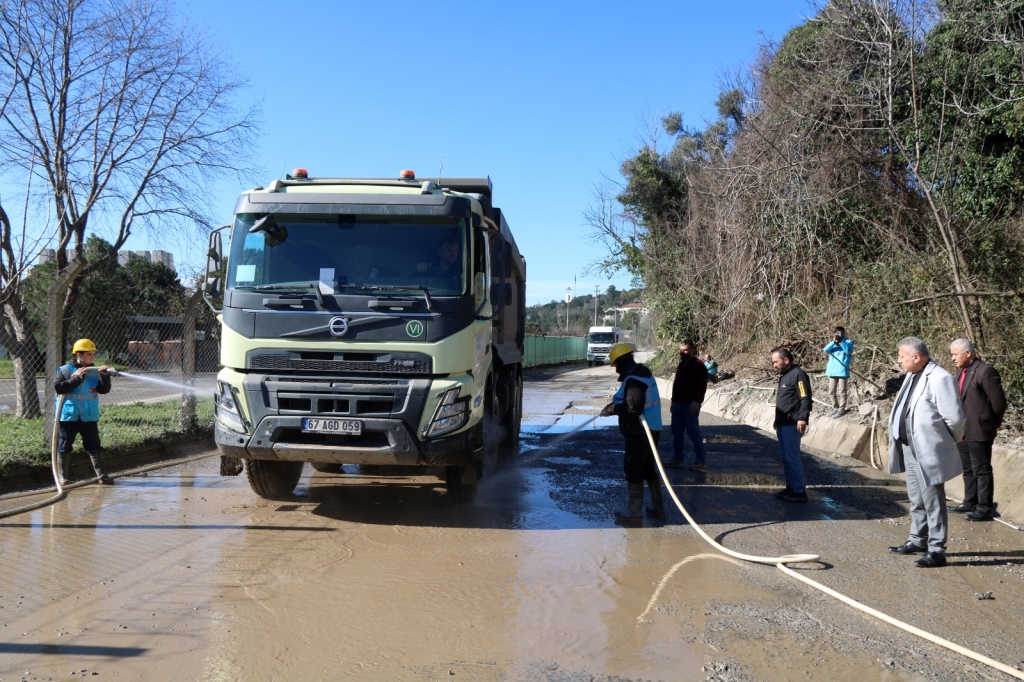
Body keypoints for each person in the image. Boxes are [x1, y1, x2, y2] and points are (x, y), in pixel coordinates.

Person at [886, 337, 964, 568]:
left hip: (928, 449)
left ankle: (937, 549)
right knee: (916, 497)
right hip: (909, 448)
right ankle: (917, 539)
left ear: (916, 357)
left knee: (933, 499)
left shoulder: (940, 378)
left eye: (901, 356)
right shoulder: (912, 375)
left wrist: (947, 441)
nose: (899, 360)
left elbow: (955, 418)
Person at [599, 343, 665, 526]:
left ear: (621, 362)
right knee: (648, 469)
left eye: (616, 365)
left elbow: (633, 408)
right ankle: (658, 508)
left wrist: (614, 409)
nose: (616, 369)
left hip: (640, 432)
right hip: (650, 429)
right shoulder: (641, 374)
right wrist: (613, 406)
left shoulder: (634, 380)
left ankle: (634, 511)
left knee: (634, 469)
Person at [949, 338, 1007, 522]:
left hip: (980, 428)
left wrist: (991, 423)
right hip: (963, 428)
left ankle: (984, 508)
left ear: (968, 353)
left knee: (981, 469)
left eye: (955, 354)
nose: (952, 358)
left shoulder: (985, 371)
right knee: (967, 468)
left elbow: (999, 403)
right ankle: (970, 501)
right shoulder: (961, 371)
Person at [54, 338, 115, 485]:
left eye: (93, 354)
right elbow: (59, 388)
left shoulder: (95, 372)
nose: (92, 357)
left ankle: (102, 475)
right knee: (64, 446)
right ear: (78, 355)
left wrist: (105, 377)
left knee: (94, 445)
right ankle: (63, 478)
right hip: (68, 416)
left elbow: (104, 390)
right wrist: (76, 379)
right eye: (89, 354)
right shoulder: (65, 370)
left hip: (89, 416)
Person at [771, 348, 812, 503]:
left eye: (776, 362)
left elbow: (805, 397)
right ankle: (791, 487)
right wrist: (777, 419)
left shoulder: (798, 375)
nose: (774, 365)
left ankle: (799, 491)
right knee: (785, 458)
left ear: (786, 360)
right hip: (782, 423)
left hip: (793, 423)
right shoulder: (785, 376)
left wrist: (802, 418)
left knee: (792, 458)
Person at [665, 340, 708, 471]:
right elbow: (676, 384)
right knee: (677, 433)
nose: (683, 352)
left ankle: (700, 461)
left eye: (685, 350)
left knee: (693, 433)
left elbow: (702, 385)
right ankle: (678, 459)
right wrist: (673, 402)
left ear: (692, 350)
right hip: (678, 404)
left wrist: (697, 401)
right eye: (681, 350)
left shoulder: (698, 365)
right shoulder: (681, 364)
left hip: (690, 405)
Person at [822, 326, 853, 417]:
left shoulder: (848, 342)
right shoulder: (833, 344)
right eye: (838, 333)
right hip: (833, 371)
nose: (840, 335)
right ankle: (835, 408)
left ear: (844, 333)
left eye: (841, 333)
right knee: (831, 391)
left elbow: (848, 351)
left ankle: (841, 410)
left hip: (842, 371)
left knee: (842, 392)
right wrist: (834, 341)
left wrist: (841, 342)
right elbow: (825, 350)